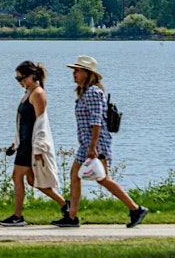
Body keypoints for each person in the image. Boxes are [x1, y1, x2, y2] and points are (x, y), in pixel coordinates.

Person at [52, 55, 148, 228]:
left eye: (77, 70)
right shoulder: (84, 93)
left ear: (88, 73)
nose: (74, 74)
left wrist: (93, 147)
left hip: (96, 144)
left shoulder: (94, 93)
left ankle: (135, 209)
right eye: (74, 71)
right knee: (76, 176)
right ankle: (71, 217)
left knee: (103, 179)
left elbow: (96, 122)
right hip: (87, 143)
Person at [0, 60, 67, 226]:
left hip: (30, 145)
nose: (19, 82)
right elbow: (22, 123)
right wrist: (15, 144)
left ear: (32, 76)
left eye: (21, 78)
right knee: (32, 181)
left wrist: (38, 148)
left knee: (17, 177)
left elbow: (41, 123)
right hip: (24, 144)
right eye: (17, 79)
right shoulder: (28, 93)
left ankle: (17, 216)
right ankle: (66, 206)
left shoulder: (38, 93)